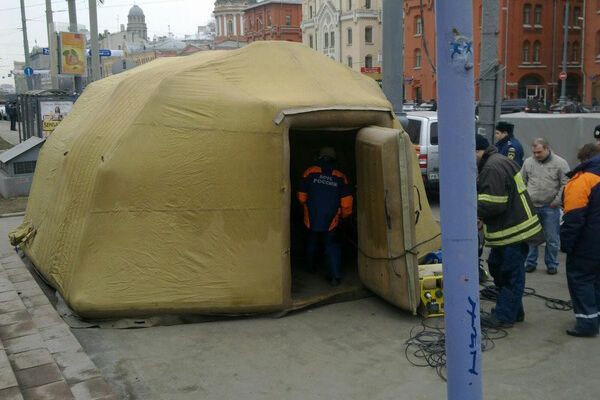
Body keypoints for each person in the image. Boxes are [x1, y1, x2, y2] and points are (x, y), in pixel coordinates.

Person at [476, 134, 544, 328]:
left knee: (509, 274)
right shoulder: (498, 161)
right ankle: (514, 311)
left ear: (477, 151)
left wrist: (473, 212)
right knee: (497, 266)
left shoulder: (491, 167)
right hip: (512, 229)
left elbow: (494, 203)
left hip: (514, 230)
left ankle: (504, 316)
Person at [297, 147, 353, 286]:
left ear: (319, 157)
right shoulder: (340, 176)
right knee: (331, 245)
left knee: (312, 241)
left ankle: (310, 267)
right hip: (331, 218)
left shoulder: (309, 172)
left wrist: (307, 206)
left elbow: (301, 196)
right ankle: (335, 276)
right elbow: (346, 203)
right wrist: (344, 217)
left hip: (311, 215)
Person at [560, 143, 600, 337]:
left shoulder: (583, 180)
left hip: (587, 244)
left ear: (583, 160)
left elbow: (574, 218)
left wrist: (567, 244)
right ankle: (595, 317)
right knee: (596, 281)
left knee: (581, 279)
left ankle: (587, 323)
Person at [521, 138, 570, 274]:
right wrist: (525, 201)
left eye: (539, 152)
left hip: (550, 207)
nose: (536, 155)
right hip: (532, 206)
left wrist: (556, 202)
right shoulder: (528, 162)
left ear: (547, 149)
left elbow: (565, 184)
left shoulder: (560, 163)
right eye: (534, 152)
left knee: (552, 238)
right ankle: (530, 262)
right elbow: (521, 181)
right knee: (531, 237)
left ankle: (552, 264)